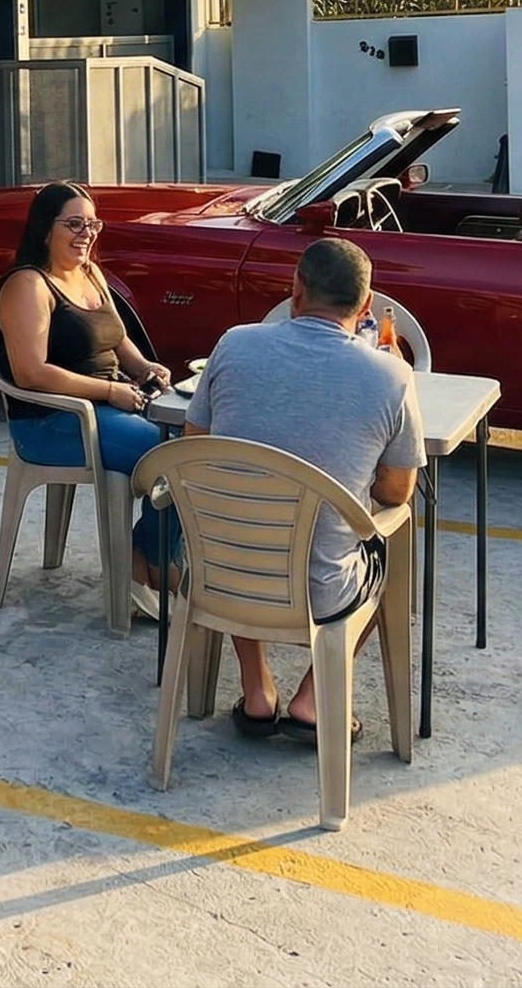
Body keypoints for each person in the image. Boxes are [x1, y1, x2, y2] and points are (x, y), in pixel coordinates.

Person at [180, 239, 421, 740]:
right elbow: (397, 493)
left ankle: (256, 689)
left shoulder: (233, 344)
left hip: (219, 572)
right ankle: (313, 697)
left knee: (239, 524)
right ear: (366, 306)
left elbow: (193, 450)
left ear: (295, 291)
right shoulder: (392, 375)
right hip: (322, 593)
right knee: (390, 557)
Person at [0, 180, 174, 619]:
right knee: (174, 457)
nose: (86, 234)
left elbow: (118, 339)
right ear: (43, 229)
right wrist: (111, 391)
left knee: (197, 437)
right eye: (74, 224)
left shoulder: (89, 273)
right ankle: (144, 563)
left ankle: (148, 558)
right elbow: (30, 373)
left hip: (106, 410)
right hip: (53, 422)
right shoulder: (28, 286)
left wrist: (145, 369)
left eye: (92, 224)